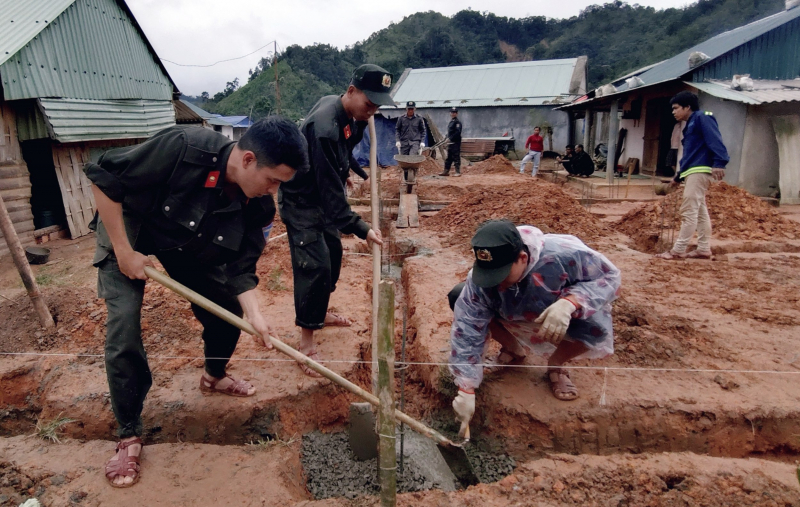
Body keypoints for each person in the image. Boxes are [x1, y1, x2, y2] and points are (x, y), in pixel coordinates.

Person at [83, 117, 309, 487]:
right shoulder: (184, 147)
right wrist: (123, 252)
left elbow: (241, 268)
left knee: (229, 312)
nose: (273, 191)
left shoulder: (257, 206)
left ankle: (214, 376)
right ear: (249, 159)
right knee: (124, 323)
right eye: (273, 180)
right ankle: (128, 434)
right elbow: (104, 179)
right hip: (131, 229)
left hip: (188, 243)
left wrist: (255, 315)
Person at [447, 220, 620, 437]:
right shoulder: (484, 281)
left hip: (556, 308)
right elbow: (468, 326)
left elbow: (609, 277)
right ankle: (514, 350)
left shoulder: (562, 255)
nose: (496, 283)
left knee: (596, 325)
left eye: (501, 275)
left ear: (522, 258)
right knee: (462, 297)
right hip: (515, 308)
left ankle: (556, 365)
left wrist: (571, 302)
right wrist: (466, 387)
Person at [279, 64, 388, 376]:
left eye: (377, 106)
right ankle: (307, 344)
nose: (373, 111)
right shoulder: (325, 126)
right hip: (302, 200)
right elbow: (332, 197)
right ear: (351, 92)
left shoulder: (351, 116)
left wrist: (350, 172)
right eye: (369, 104)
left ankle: (321, 311)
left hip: (321, 195)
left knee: (334, 255)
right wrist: (362, 228)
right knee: (315, 265)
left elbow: (342, 152)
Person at [656, 91, 729, 260]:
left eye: (676, 108)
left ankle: (678, 250)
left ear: (687, 107)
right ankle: (703, 249)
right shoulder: (691, 123)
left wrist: (719, 162)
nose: (673, 112)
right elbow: (690, 155)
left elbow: (715, 140)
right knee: (701, 212)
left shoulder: (703, 117)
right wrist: (678, 177)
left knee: (688, 211)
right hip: (693, 171)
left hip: (699, 171)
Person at [439, 107, 463, 177]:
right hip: (450, 143)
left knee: (456, 157)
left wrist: (450, 138)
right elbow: (450, 132)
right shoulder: (451, 122)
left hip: (455, 143)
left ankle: (458, 172)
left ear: (457, 113)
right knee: (449, 158)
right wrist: (446, 138)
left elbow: (457, 132)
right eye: (452, 112)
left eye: (454, 113)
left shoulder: (457, 123)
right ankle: (446, 171)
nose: (453, 114)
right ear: (450, 113)